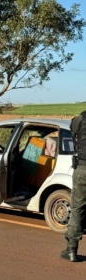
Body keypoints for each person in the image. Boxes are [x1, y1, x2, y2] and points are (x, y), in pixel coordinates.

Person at [61, 111, 86, 262]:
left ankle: (71, 249)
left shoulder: (79, 120)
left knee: (77, 208)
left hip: (82, 169)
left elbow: (71, 128)